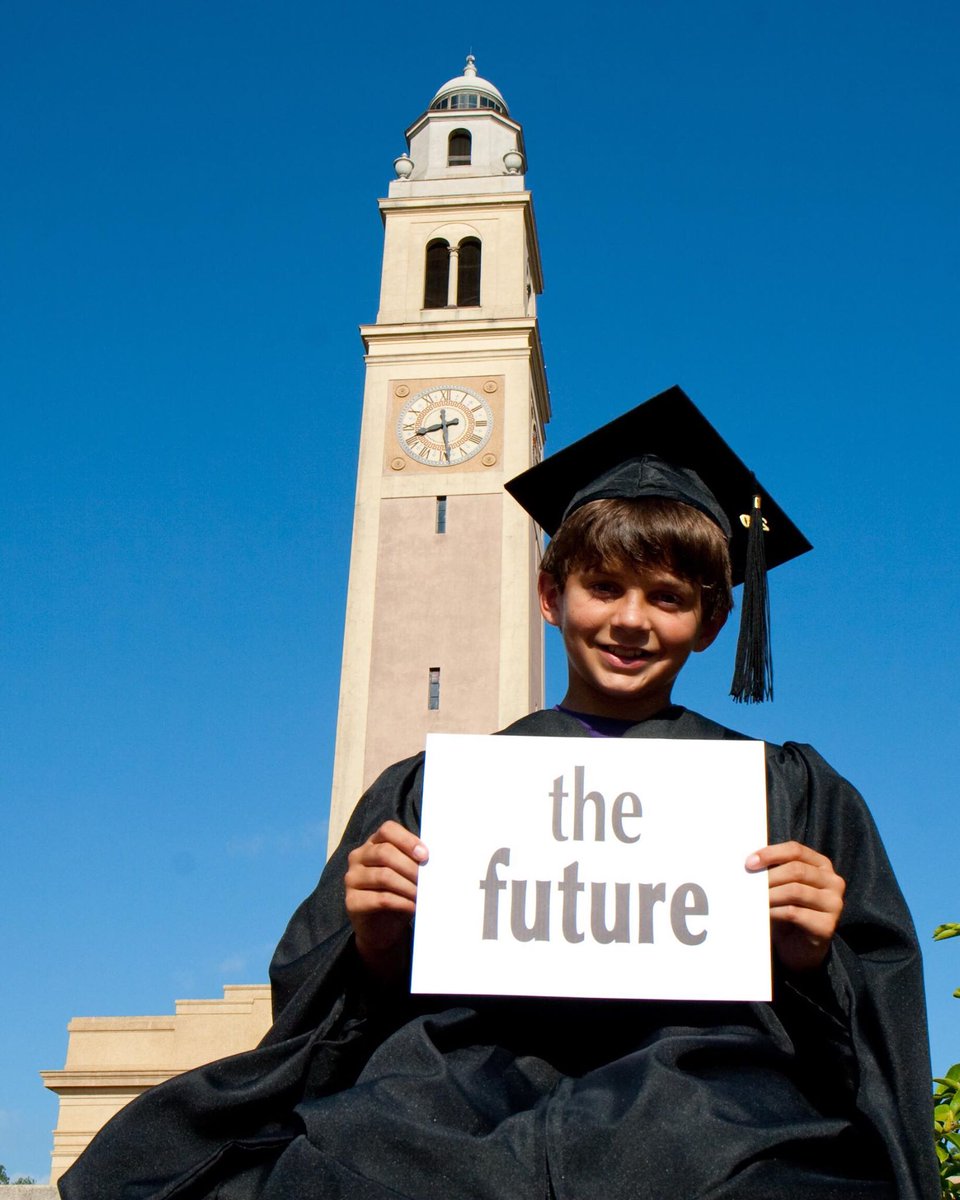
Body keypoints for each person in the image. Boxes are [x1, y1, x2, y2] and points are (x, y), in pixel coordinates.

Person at [59, 387, 939, 1199]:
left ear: (710, 623)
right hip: (448, 1096)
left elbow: (873, 1028)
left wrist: (815, 960)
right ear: (552, 596)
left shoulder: (783, 791)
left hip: (714, 1107)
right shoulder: (436, 791)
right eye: (603, 586)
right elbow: (313, 1011)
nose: (631, 619)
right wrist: (369, 943)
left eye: (668, 598)